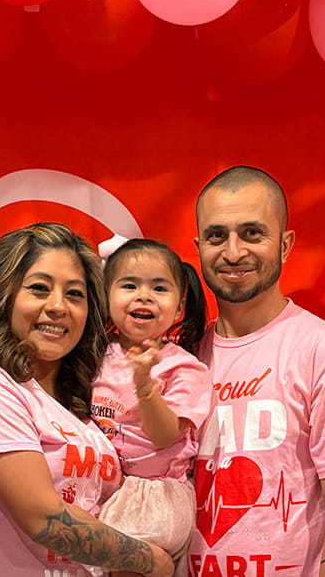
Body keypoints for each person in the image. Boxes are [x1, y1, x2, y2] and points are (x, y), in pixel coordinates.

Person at [186, 166, 325, 577]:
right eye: (217, 236)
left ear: (284, 245)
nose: (233, 252)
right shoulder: (181, 358)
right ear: (198, 247)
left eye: (252, 233)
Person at [0, 222, 173, 577]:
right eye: (39, 289)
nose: (58, 306)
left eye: (75, 294)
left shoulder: (79, 405)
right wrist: (154, 562)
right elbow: (43, 518)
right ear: (3, 295)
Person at [91, 239, 212, 577]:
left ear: (178, 307)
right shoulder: (96, 356)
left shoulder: (184, 368)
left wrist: (145, 385)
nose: (143, 295)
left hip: (152, 494)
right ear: (106, 296)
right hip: (105, 486)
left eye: (159, 287)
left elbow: (164, 436)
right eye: (129, 285)